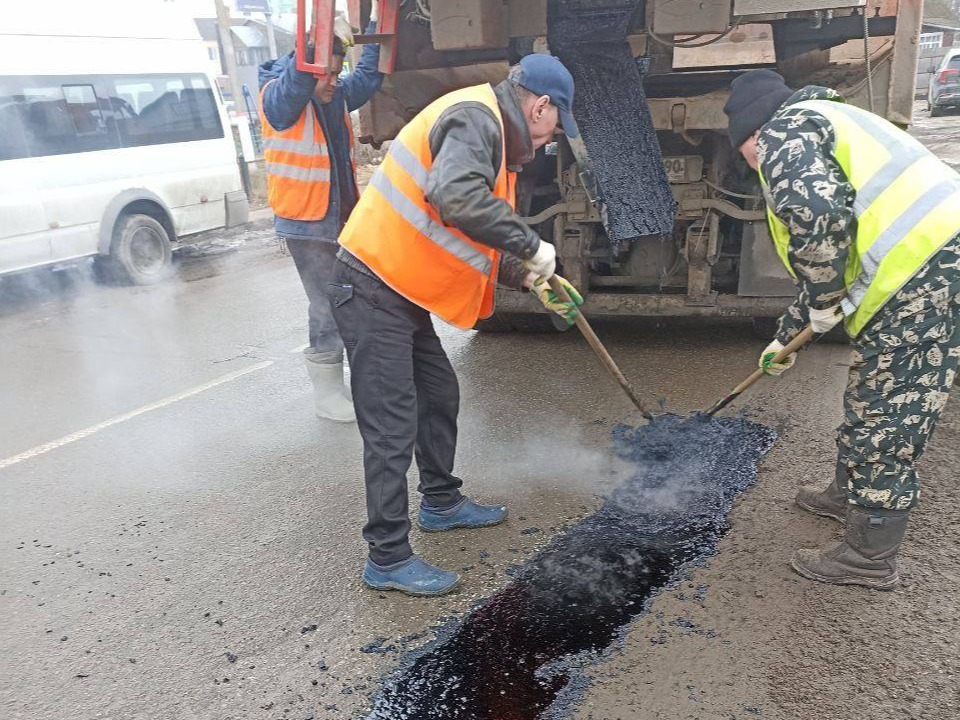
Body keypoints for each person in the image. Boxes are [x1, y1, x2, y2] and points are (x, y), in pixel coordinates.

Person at [330, 54, 583, 596]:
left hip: (399, 291)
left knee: (438, 394)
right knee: (392, 425)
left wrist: (526, 275)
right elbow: (457, 198)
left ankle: (441, 502)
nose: (548, 139)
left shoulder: (488, 128)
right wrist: (532, 244)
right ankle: (388, 557)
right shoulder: (476, 119)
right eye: (555, 126)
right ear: (540, 107)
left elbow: (463, 230)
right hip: (371, 287)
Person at [724, 69, 960, 590]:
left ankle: (868, 555)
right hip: (932, 263)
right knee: (873, 394)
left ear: (752, 135)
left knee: (889, 407)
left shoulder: (783, 133)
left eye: (743, 153)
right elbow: (837, 243)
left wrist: (826, 298)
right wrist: (786, 337)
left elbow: (818, 217)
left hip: (926, 270)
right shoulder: (828, 119)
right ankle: (848, 492)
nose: (751, 165)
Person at [258, 13, 383, 423]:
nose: (334, 80)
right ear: (307, 68)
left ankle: (361, 384)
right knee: (328, 303)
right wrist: (315, 43)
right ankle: (327, 395)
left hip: (341, 219)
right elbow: (298, 81)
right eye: (326, 73)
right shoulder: (279, 96)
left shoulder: (333, 94)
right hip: (308, 223)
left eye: (336, 72)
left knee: (354, 298)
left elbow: (365, 79)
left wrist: (379, 27)